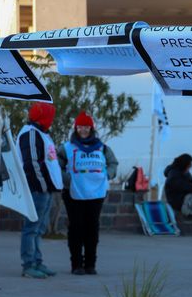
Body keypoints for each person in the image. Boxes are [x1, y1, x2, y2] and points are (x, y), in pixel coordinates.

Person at [57, 111, 118, 275]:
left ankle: (90, 264)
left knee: (92, 228)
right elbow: (56, 166)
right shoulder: (66, 148)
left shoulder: (103, 148)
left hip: (96, 194)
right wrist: (68, 180)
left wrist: (107, 175)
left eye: (86, 127)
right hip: (73, 193)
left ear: (91, 128)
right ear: (75, 128)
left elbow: (113, 163)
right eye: (80, 127)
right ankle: (76, 264)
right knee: (76, 227)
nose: (83, 130)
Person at [17, 102, 63, 279]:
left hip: (46, 188)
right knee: (31, 228)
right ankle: (28, 264)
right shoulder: (30, 133)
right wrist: (43, 186)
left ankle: (37, 261)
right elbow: (32, 163)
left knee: (39, 228)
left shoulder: (42, 134)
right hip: (37, 189)